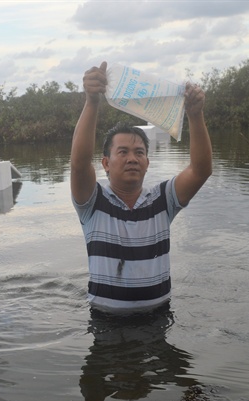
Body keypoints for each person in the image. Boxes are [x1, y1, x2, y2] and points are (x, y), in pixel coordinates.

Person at [71, 61, 212, 313]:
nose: (132, 159)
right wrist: (92, 102)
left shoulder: (163, 200)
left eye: (139, 153)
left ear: (148, 162)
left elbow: (201, 170)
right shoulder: (92, 202)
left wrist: (195, 115)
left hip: (158, 319)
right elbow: (80, 164)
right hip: (105, 322)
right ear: (105, 162)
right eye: (122, 152)